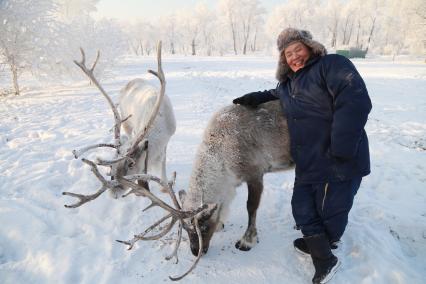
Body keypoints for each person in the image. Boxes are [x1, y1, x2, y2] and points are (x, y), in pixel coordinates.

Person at [232, 28, 372, 284]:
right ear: (283, 60)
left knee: (331, 210)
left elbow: (355, 102)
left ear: (310, 47)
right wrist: (253, 97)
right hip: (309, 160)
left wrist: (340, 148)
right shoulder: (288, 84)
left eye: (298, 49)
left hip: (339, 158)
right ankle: (319, 245)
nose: (294, 56)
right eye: (288, 54)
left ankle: (326, 257)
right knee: (302, 208)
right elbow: (275, 94)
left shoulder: (332, 65)